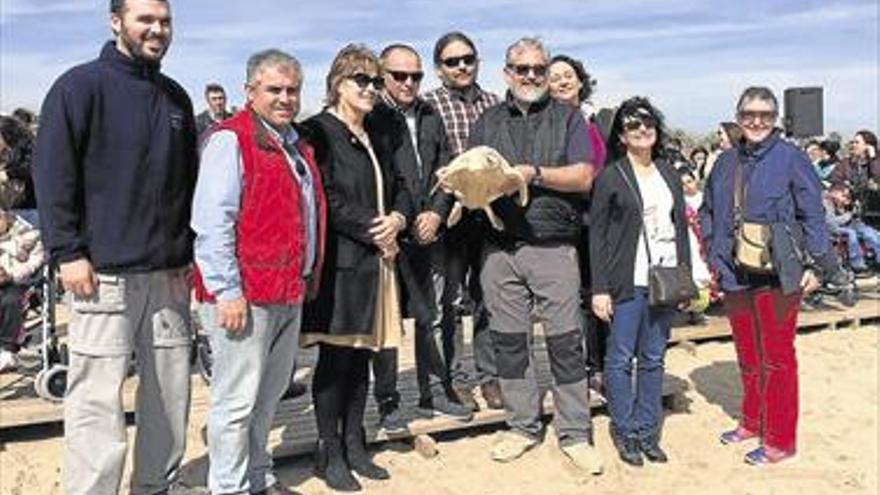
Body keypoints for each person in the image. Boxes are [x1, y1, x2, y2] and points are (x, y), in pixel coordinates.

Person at [32, 0, 198, 493]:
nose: (157, 29)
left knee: (169, 397)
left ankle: (154, 486)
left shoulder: (175, 98)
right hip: (100, 275)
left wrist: (185, 252)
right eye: (145, 19)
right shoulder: (79, 87)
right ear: (116, 21)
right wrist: (67, 252)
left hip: (167, 276)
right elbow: (52, 175)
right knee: (96, 403)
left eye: (164, 21)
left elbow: (185, 183)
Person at [465, 37, 603, 474]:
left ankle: (575, 433)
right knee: (508, 343)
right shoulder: (487, 120)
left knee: (564, 342)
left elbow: (584, 176)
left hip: (552, 246)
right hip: (499, 248)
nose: (530, 76)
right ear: (507, 73)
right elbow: (471, 175)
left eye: (538, 69)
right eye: (521, 69)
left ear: (546, 73)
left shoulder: (568, 118)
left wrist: (533, 174)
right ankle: (522, 426)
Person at [191, 49, 324, 495]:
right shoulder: (231, 140)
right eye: (275, 90)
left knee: (267, 398)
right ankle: (228, 487)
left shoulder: (295, 145)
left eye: (292, 90)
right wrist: (226, 290)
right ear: (250, 91)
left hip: (287, 290)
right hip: (245, 295)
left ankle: (257, 476)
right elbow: (213, 222)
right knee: (235, 401)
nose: (285, 98)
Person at [700, 86, 849, 465]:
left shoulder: (792, 158)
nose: (756, 121)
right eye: (749, 114)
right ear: (738, 117)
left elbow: (813, 216)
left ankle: (780, 439)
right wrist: (712, 254)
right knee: (748, 355)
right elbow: (707, 210)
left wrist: (818, 266)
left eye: (765, 115)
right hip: (733, 272)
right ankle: (751, 422)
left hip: (779, 273)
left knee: (778, 359)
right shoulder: (724, 162)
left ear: (776, 119)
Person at [300, 44, 412, 492]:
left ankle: (355, 441)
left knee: (365, 353)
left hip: (379, 260)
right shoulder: (317, 131)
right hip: (343, 264)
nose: (370, 88)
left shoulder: (378, 132)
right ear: (337, 84)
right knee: (336, 357)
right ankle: (328, 450)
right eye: (360, 80)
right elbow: (325, 195)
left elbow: (403, 184)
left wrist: (399, 219)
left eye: (373, 80)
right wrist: (373, 229)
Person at [369, 43, 473, 432]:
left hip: (433, 231)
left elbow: (445, 168)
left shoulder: (430, 114)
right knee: (389, 321)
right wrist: (405, 216)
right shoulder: (373, 116)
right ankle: (388, 401)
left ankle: (437, 391)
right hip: (390, 234)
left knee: (438, 314)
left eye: (415, 76)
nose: (409, 82)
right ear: (383, 76)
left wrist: (437, 212)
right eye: (400, 75)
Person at [590, 97, 691, 467]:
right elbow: (596, 236)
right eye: (633, 125)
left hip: (665, 279)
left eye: (648, 123)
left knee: (653, 357)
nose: (643, 129)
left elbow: (681, 227)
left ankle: (648, 431)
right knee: (619, 359)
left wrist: (685, 275)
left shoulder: (668, 172)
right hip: (627, 281)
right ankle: (626, 429)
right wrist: (600, 288)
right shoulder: (611, 176)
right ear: (621, 135)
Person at [423, 31, 503, 411]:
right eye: (452, 61)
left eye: (468, 59)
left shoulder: (495, 103)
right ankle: (454, 380)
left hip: (490, 214)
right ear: (440, 68)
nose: (462, 67)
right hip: (450, 214)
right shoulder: (429, 104)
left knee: (488, 297)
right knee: (450, 302)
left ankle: (490, 377)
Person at [546, 53, 608, 398]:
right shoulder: (544, 123)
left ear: (581, 81)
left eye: (568, 75)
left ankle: (599, 367)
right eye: (555, 77)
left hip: (596, 221)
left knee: (596, 296)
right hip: (562, 219)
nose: (563, 81)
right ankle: (575, 371)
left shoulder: (598, 119)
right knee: (566, 301)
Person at [0, 193, 45, 373]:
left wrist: (10, 276)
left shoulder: (29, 235)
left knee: (11, 301)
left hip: (20, 285)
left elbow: (35, 263)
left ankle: (7, 349)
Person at [823, 183, 880, 272]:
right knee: (851, 233)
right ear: (833, 193)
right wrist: (848, 215)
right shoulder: (826, 204)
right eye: (843, 196)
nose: (846, 198)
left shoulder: (844, 202)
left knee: (870, 232)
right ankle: (856, 263)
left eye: (847, 196)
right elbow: (831, 222)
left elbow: (854, 217)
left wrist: (852, 210)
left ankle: (878, 258)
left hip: (848, 225)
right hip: (831, 228)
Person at [0, 115, 36, 210]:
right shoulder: (9, 151)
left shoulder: (26, 150)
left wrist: (8, 174)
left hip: (30, 208)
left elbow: (31, 168)